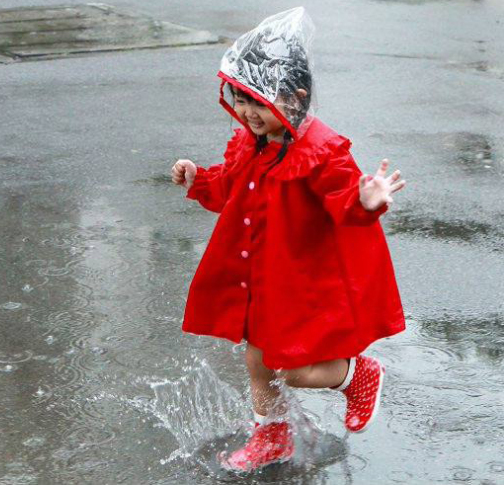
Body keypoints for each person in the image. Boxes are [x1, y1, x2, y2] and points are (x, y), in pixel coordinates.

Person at [171, 7, 406, 472]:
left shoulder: (320, 152)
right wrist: (199, 179)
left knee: (293, 369)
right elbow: (228, 189)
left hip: (300, 283)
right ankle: (272, 434)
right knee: (258, 362)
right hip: (260, 278)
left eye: (258, 103)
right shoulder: (249, 143)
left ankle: (356, 373)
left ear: (294, 99)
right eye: (240, 100)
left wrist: (367, 199)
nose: (247, 113)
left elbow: (344, 201)